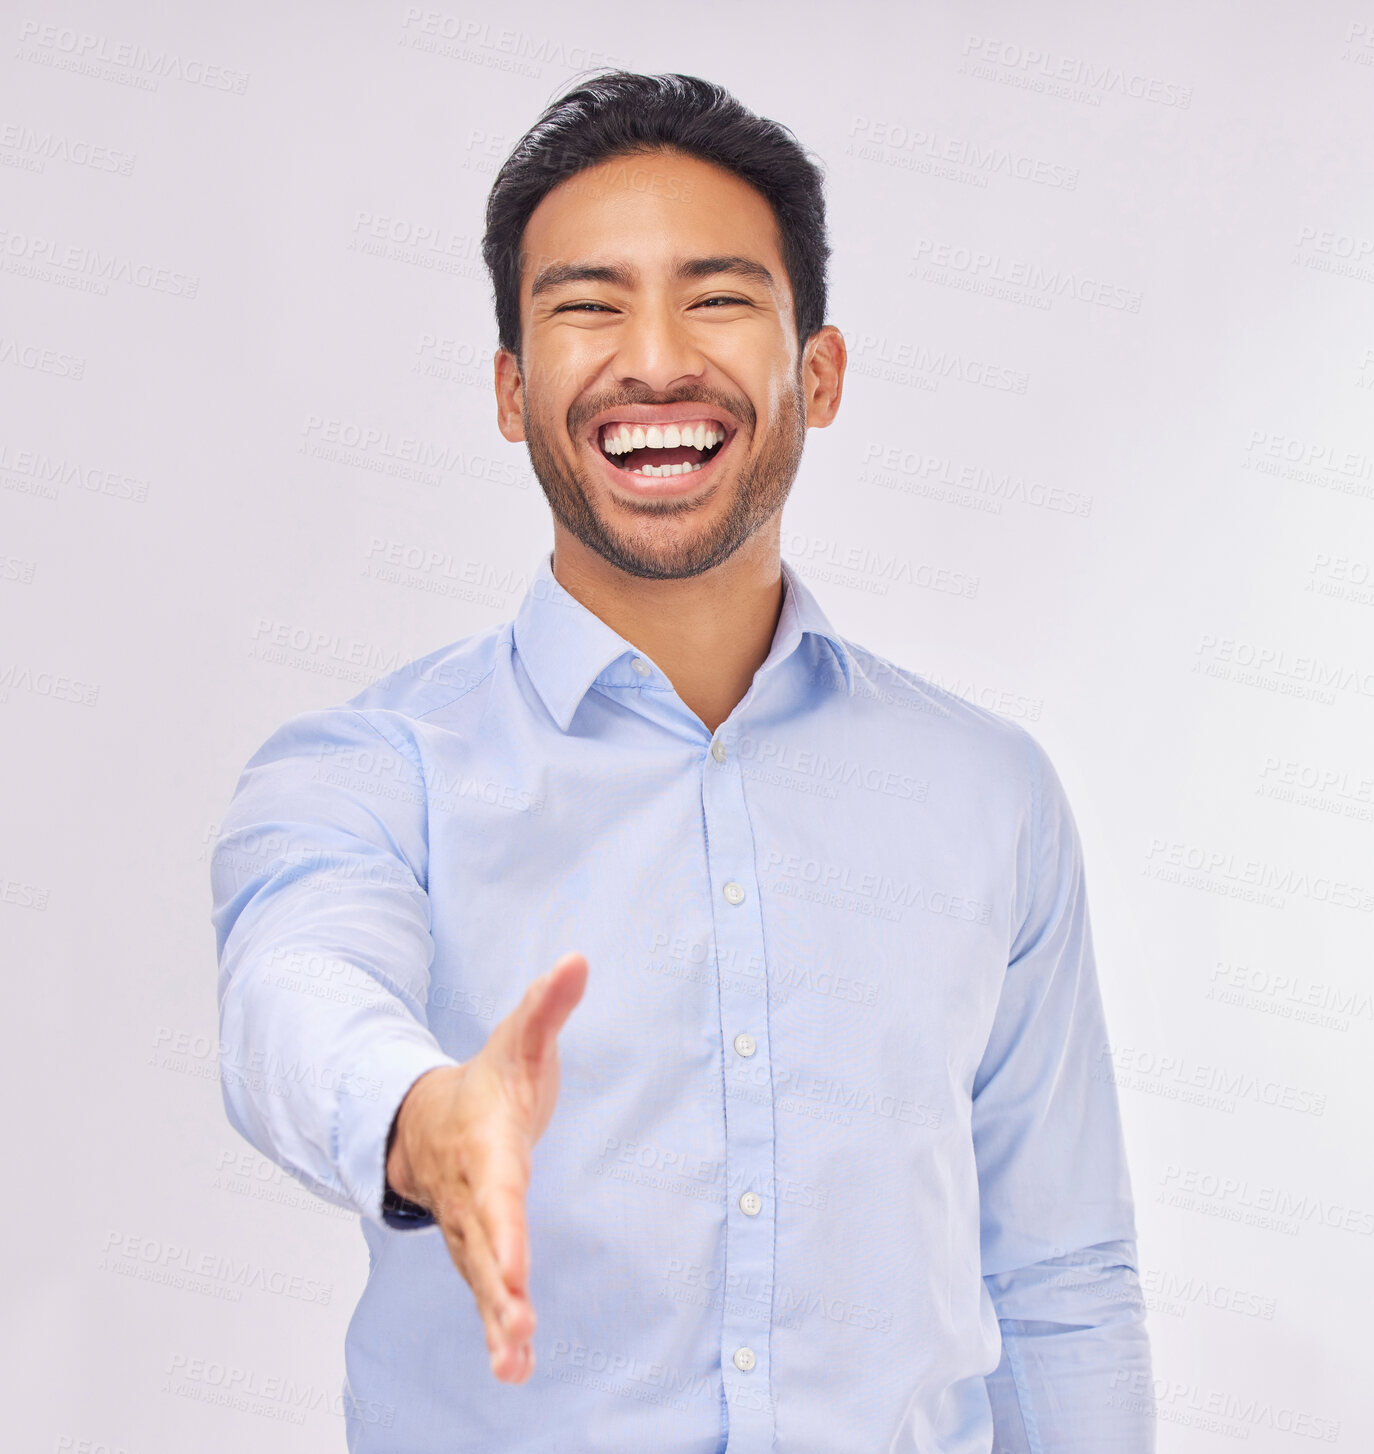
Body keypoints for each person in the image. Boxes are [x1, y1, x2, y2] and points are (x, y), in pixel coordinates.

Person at [210, 70, 1154, 1454]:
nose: (654, 359)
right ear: (507, 386)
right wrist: (423, 1118)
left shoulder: (987, 793)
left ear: (814, 375)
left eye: (716, 297)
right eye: (586, 303)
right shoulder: (370, 771)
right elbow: (290, 989)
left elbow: (1058, 1276)